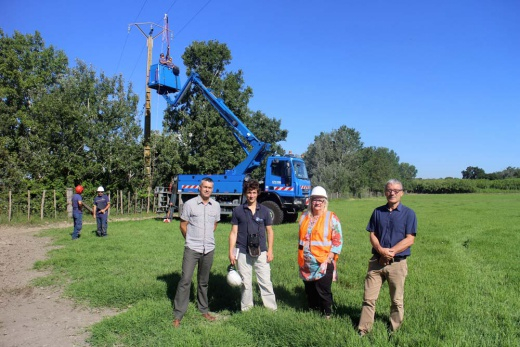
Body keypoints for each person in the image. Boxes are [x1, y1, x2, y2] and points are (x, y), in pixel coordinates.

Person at [358, 179, 417, 336]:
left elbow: (410, 239)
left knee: (396, 300)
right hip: (376, 262)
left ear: (402, 193)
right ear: (385, 192)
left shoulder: (409, 214)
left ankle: (394, 330)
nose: (392, 193)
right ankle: (364, 330)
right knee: (368, 298)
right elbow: (372, 234)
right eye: (389, 190)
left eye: (396, 190)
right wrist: (380, 250)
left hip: (397, 264)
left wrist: (390, 252)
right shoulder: (377, 212)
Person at [173, 177, 221, 328]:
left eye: (210, 187)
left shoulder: (216, 206)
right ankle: (178, 314)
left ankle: (203, 309)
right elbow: (183, 225)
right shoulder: (189, 204)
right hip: (192, 248)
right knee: (185, 280)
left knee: (203, 281)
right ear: (199, 188)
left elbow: (214, 225)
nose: (207, 189)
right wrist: (191, 239)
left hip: (209, 248)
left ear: (212, 190)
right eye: (205, 187)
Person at [228, 179, 277, 311]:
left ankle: (271, 309)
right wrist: (231, 251)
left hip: (261, 251)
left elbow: (270, 232)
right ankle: (247, 309)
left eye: (254, 192)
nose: (251, 195)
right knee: (246, 283)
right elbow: (233, 233)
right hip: (243, 251)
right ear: (245, 193)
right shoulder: (238, 211)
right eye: (249, 192)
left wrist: (270, 250)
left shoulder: (265, 211)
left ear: (257, 194)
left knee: (266, 281)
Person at [298, 186, 343, 318]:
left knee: (323, 290)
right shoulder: (304, 216)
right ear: (310, 201)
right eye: (314, 200)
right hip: (306, 262)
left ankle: (327, 314)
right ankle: (313, 310)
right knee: (310, 289)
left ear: (325, 202)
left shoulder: (331, 217)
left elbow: (337, 239)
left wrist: (330, 256)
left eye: (320, 200)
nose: (317, 203)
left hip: (323, 261)